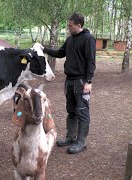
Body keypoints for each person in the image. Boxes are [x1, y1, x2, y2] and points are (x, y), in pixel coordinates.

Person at [41, 13, 96, 154]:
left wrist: (88, 81)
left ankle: (81, 142)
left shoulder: (88, 39)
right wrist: (44, 49)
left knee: (82, 111)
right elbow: (60, 53)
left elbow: (91, 61)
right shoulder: (70, 39)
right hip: (70, 80)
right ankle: (71, 137)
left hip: (82, 80)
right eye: (68, 26)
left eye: (70, 26)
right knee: (71, 110)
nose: (68, 28)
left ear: (79, 25)